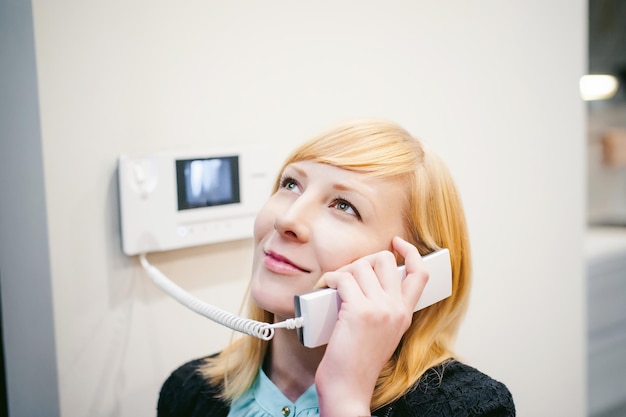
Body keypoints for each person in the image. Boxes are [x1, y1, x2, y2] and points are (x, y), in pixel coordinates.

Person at [157, 119, 515, 417]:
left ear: (410, 271)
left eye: (344, 206)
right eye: (291, 184)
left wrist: (345, 399)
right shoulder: (188, 393)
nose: (287, 218)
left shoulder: (469, 409)